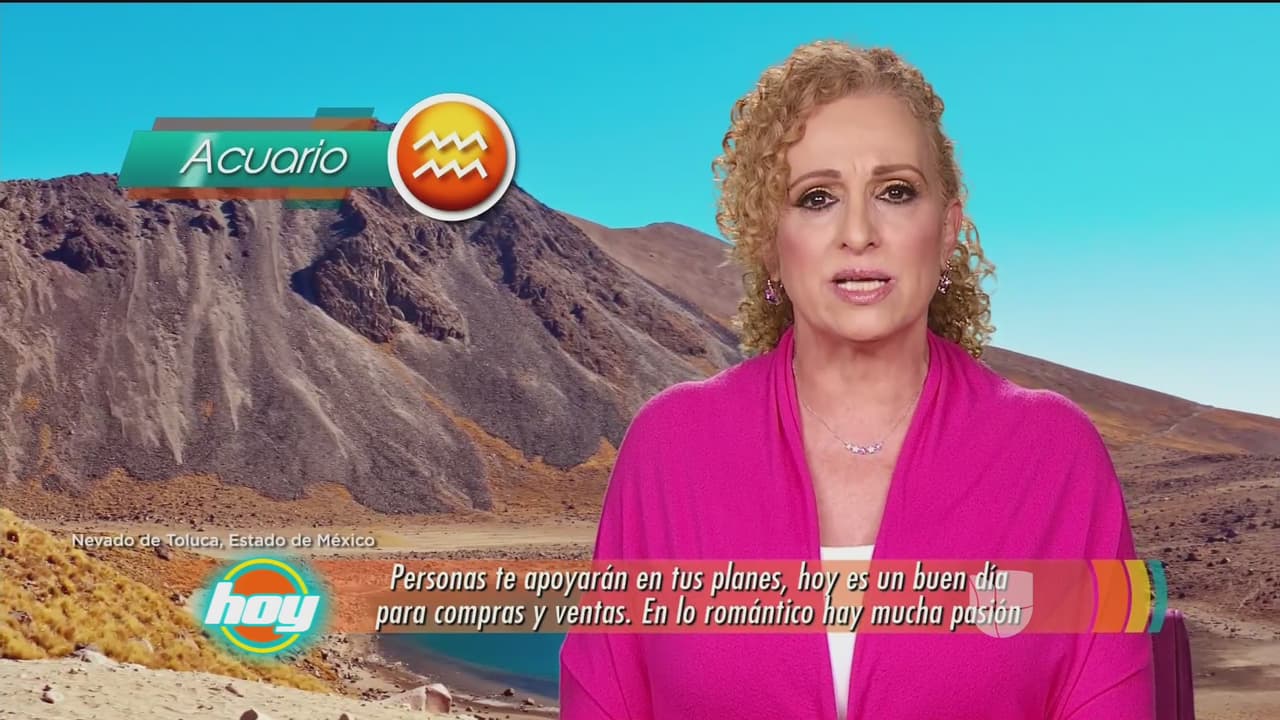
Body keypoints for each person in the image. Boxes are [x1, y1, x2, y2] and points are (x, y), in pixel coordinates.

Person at [559, 40, 1155, 720]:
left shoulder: (1052, 455)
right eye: (817, 198)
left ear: (948, 228)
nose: (859, 232)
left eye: (895, 192)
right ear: (769, 243)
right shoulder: (671, 449)